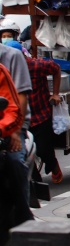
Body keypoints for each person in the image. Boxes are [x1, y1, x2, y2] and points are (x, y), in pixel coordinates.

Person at [6, 41, 63, 183]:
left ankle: (54, 167)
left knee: (44, 149)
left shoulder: (36, 65)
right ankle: (32, 179)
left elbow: (56, 68)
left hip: (40, 114)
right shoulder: (5, 70)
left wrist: (55, 93)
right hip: (16, 117)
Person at [0, 42, 33, 224]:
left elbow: (15, 103)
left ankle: (24, 217)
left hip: (9, 128)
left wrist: (12, 130)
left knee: (14, 161)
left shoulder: (8, 62)